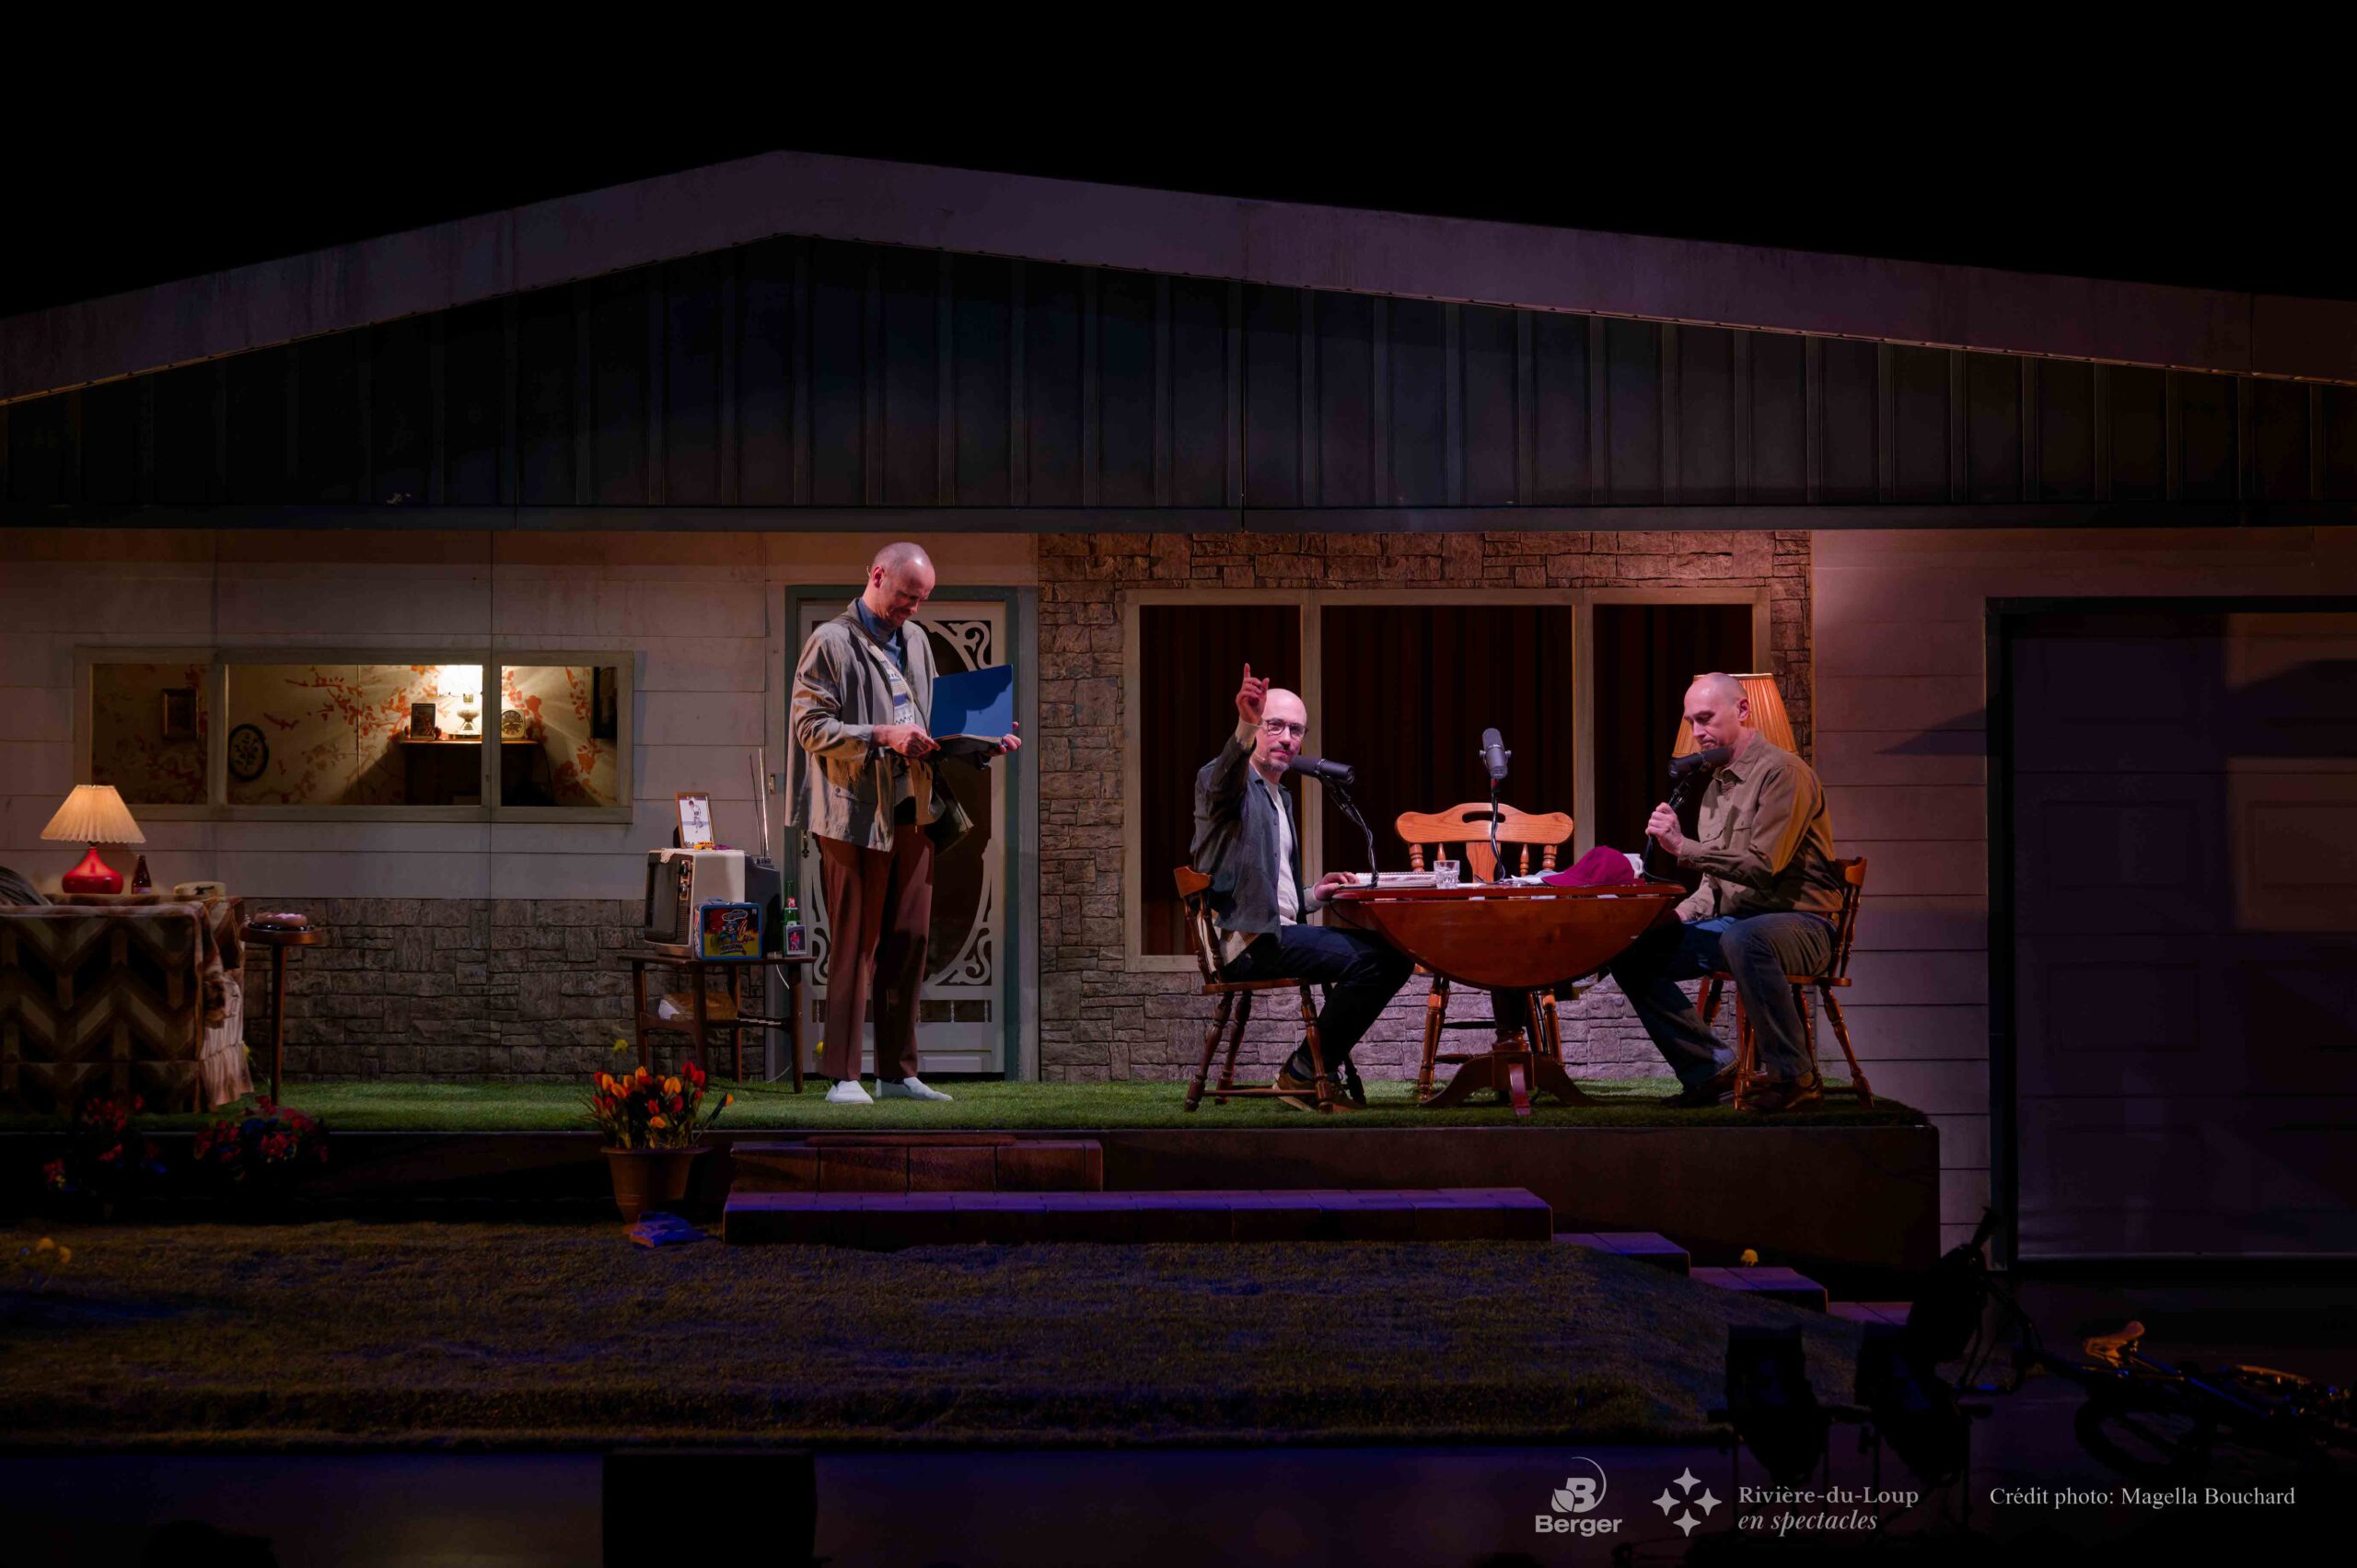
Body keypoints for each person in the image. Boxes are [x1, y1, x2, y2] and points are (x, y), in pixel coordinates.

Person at [787, 541, 1019, 1106]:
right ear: (876, 576)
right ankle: (843, 1075)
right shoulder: (831, 641)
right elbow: (810, 727)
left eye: (921, 600)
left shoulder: (915, 640)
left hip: (914, 809)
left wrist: (981, 744)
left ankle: (896, 1072)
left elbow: (930, 723)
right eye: (905, 596)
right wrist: (882, 735)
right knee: (854, 943)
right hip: (853, 815)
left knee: (909, 940)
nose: (912, 609)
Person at [1608, 672, 1843, 1113]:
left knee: (1745, 939)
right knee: (1634, 952)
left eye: (1705, 718)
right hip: (1739, 925)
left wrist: (1683, 847)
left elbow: (1764, 867)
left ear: (1742, 710)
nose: (1698, 732)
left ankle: (1795, 1077)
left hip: (1803, 925)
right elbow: (1714, 885)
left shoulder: (1784, 774)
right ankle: (1709, 1069)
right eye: (1691, 722)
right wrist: (1675, 917)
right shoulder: (1717, 785)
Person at [1190, 663, 1412, 1109]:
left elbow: (1277, 895)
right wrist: (1244, 725)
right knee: (1383, 962)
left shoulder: (1281, 797)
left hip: (1276, 932)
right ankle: (1303, 1073)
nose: (1287, 738)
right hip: (1248, 942)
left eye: (1296, 730)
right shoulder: (1229, 785)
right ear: (1256, 726)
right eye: (1274, 725)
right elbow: (1220, 782)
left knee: (1391, 954)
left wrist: (1315, 895)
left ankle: (1307, 1070)